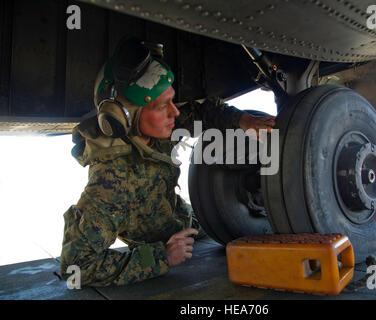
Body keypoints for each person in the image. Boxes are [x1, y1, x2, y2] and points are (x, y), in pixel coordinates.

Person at [59, 38, 275, 287]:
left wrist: (242, 120)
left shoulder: (155, 129)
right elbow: (77, 266)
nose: (174, 112)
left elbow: (200, 113)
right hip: (169, 241)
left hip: (187, 221)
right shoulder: (113, 181)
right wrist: (161, 256)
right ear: (124, 118)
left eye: (171, 101)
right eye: (163, 106)